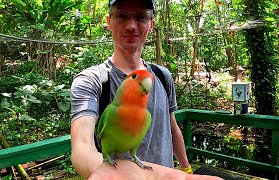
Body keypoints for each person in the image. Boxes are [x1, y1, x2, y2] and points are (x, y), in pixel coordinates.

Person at [70, 0, 222, 179]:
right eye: (121, 15)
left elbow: (173, 129)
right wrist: (105, 172)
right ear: (109, 21)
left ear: (151, 25)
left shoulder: (162, 76)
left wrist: (186, 168)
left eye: (141, 17)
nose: (131, 25)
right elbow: (82, 144)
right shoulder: (91, 81)